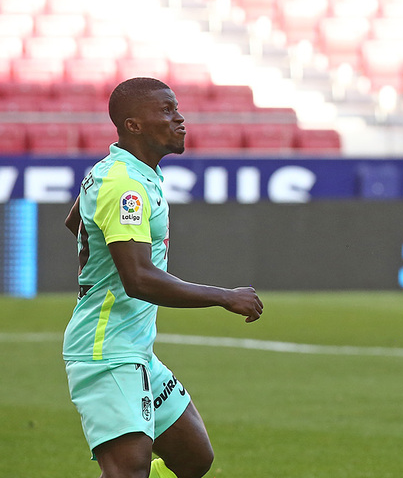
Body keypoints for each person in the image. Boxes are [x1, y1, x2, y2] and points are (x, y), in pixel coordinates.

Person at [62, 77, 264, 478]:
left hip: (136, 350)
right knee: (129, 469)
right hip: (106, 350)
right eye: (167, 110)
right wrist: (224, 296)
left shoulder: (129, 173)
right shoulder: (124, 184)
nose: (180, 118)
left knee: (193, 457)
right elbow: (138, 278)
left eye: (177, 109)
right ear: (133, 124)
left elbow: (76, 221)